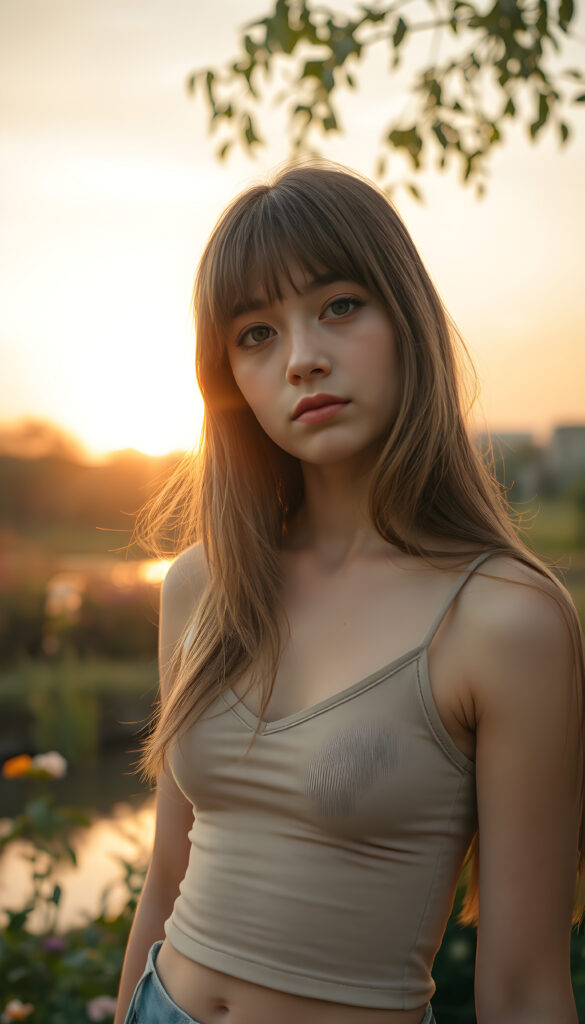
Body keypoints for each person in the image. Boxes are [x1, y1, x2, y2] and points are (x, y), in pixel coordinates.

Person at [114, 161, 585, 1024]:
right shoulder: (198, 586)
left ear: (406, 320)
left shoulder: (506, 620)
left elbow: (522, 990)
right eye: (255, 334)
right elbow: (167, 877)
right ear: (228, 381)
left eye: (338, 305)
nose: (302, 359)